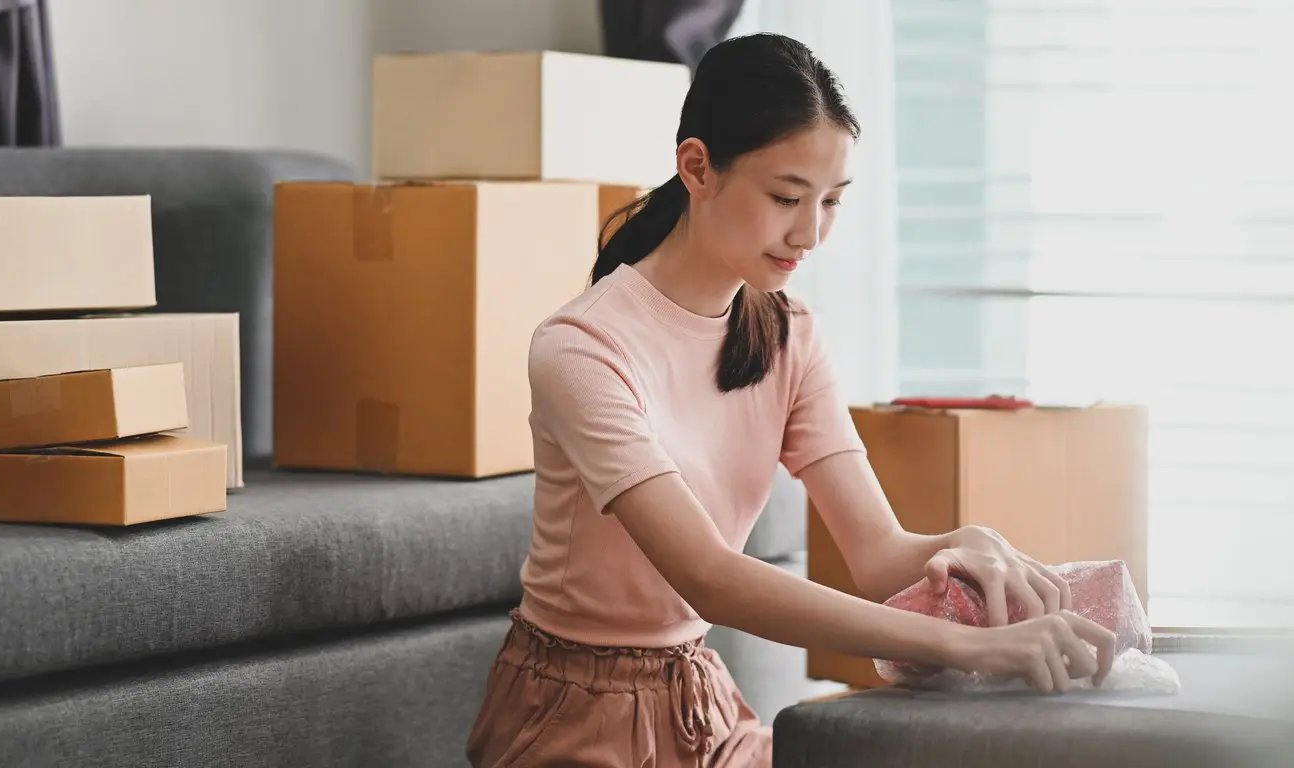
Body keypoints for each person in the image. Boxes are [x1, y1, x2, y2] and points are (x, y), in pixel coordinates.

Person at [465, 32, 1117, 768]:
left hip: (700, 700)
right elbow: (709, 577)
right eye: (786, 197)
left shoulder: (789, 333)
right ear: (697, 168)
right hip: (570, 715)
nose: (809, 233)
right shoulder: (581, 347)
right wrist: (972, 647)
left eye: (832, 201)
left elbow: (878, 557)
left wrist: (962, 545)